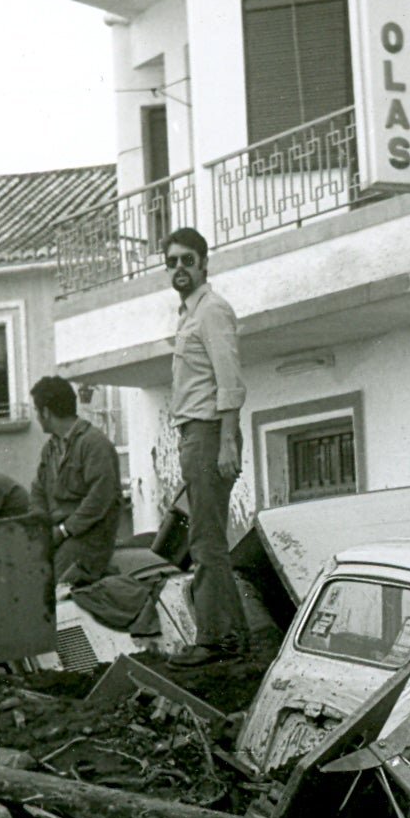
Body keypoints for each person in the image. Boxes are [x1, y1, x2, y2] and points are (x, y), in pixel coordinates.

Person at [163, 227, 249, 667]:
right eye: (173, 261)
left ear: (204, 263)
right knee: (207, 537)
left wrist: (227, 442)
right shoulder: (188, 314)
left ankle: (215, 640)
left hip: (210, 433)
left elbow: (230, 381)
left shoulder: (212, 310)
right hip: (195, 435)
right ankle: (231, 636)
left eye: (188, 260)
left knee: (206, 540)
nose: (180, 267)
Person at [27, 375, 120, 587]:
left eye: (37, 410)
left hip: (89, 539)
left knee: (52, 585)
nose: (37, 417)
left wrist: (63, 531)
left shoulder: (94, 444)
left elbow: (100, 499)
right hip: (60, 535)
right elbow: (38, 491)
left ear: (46, 412)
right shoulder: (50, 449)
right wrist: (41, 526)